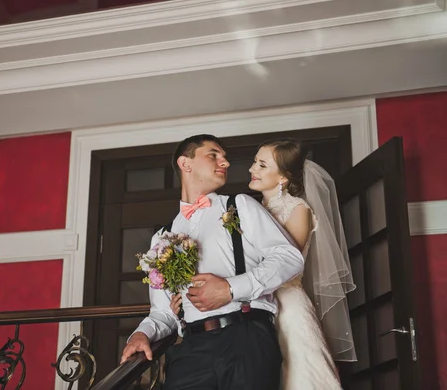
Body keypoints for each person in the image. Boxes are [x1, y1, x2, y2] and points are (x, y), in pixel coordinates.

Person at [121, 134, 304, 390]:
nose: (225, 163)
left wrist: (230, 289)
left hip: (246, 337)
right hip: (191, 350)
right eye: (214, 155)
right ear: (186, 164)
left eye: (225, 158)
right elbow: (162, 311)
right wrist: (142, 334)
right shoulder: (162, 236)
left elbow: (289, 257)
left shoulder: (239, 205)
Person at [226, 139, 358, 389]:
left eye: (262, 165)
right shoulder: (249, 211)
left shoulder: (298, 209)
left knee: (300, 376)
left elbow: (288, 262)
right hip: (255, 304)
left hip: (287, 304)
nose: (252, 169)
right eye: (255, 162)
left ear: (283, 177)